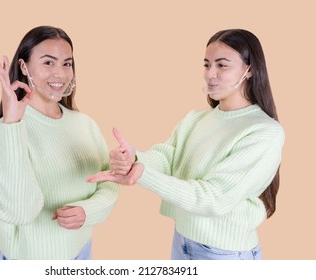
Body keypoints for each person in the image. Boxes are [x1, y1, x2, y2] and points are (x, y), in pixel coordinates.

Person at [87, 29, 285, 260]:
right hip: (183, 241)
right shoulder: (197, 118)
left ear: (249, 70)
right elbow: (169, 158)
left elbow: (214, 198)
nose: (210, 74)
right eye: (207, 64)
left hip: (225, 254)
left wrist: (141, 175)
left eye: (222, 65)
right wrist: (134, 158)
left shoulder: (264, 132)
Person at [0, 26, 118, 260]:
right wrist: (13, 124)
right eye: (48, 63)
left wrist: (89, 212)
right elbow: (20, 211)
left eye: (67, 63)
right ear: (24, 67)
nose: (60, 73)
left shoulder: (84, 124)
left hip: (80, 253)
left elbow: (108, 182)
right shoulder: (2, 134)